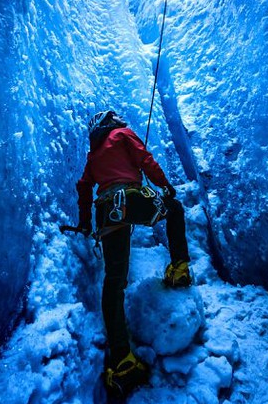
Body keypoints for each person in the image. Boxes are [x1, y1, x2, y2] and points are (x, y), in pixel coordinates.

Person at [76, 109, 191, 395]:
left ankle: (122, 359)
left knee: (114, 281)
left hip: (107, 212)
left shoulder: (93, 155)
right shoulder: (122, 134)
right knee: (174, 209)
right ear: (109, 124)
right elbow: (144, 159)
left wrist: (84, 222)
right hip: (131, 198)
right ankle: (179, 268)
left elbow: (84, 187)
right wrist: (164, 185)